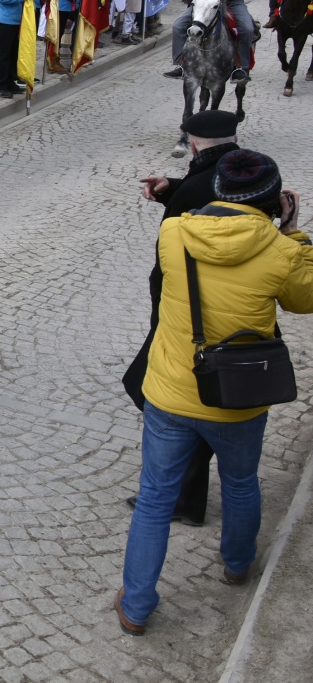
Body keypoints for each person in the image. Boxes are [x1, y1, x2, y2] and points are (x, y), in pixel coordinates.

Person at [117, 149, 313, 636]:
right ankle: (237, 564)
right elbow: (305, 299)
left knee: (155, 499)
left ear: (219, 191)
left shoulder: (173, 234)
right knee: (242, 482)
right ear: (272, 199)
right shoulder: (281, 251)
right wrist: (293, 233)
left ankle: (137, 605)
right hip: (239, 396)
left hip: (169, 391)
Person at [123, 110, 242, 527]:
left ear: (192, 143)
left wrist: (176, 194)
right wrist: (171, 187)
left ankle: (180, 498)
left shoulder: (197, 188)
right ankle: (190, 495)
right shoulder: (240, 172)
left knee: (163, 397)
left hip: (189, 313)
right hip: (231, 313)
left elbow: (169, 257)